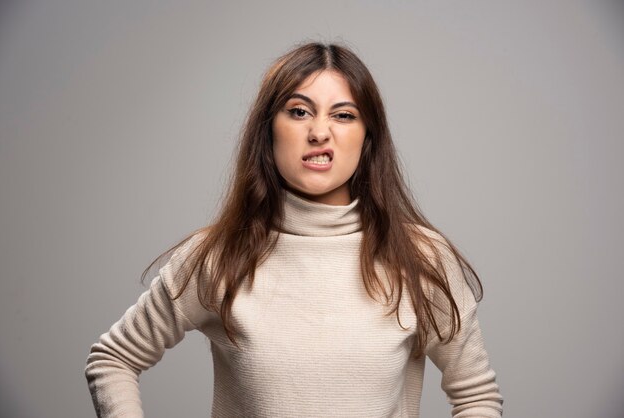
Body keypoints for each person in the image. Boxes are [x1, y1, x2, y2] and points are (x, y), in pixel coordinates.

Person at [84, 41, 503, 417]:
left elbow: (476, 397)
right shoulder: (217, 256)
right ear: (269, 129)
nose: (319, 132)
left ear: (367, 137)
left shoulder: (420, 258)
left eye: (343, 115)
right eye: (299, 112)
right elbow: (113, 359)